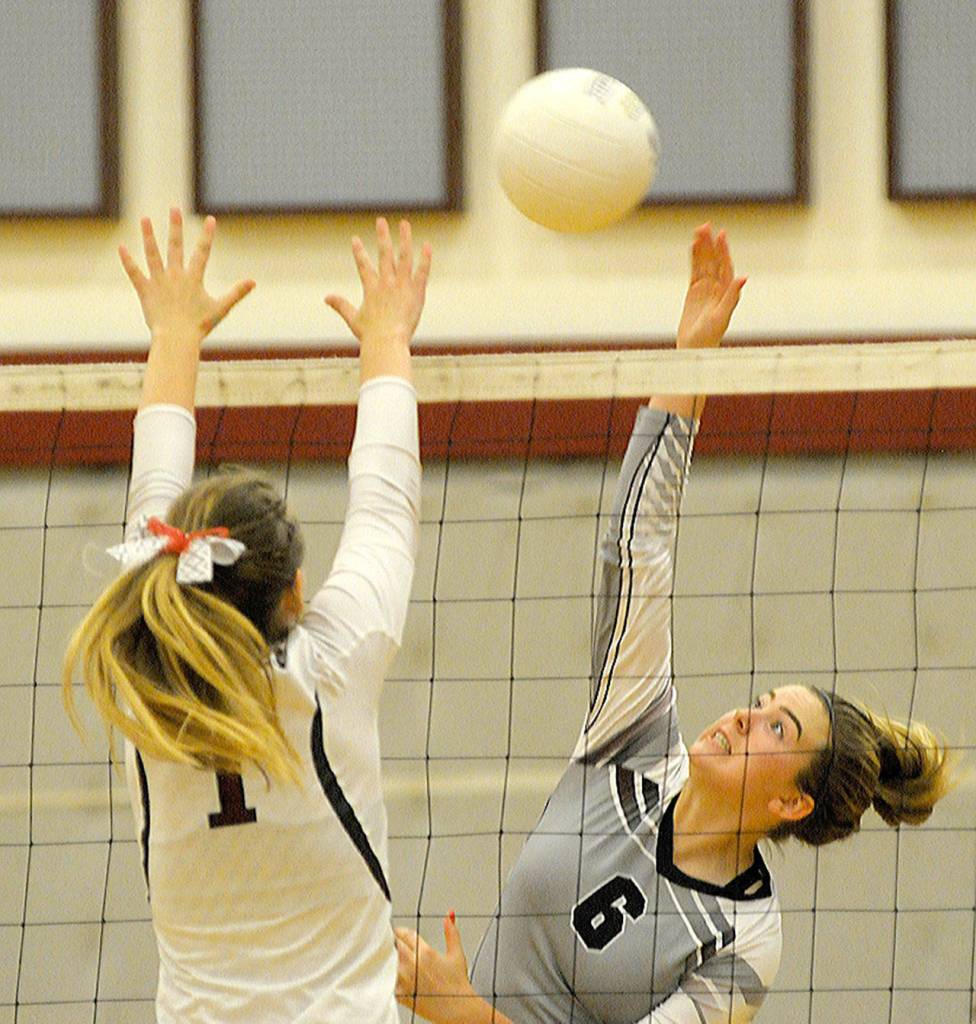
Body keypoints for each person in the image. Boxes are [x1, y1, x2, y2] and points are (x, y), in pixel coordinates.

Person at [394, 225, 954, 1024]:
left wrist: (460, 1012)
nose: (742, 716)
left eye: (776, 726)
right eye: (761, 701)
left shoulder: (743, 939)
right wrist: (690, 356)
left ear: (793, 804)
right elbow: (636, 551)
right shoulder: (635, 748)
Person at [63, 208, 431, 1023]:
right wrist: (388, 337)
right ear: (295, 593)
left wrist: (172, 333)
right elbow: (385, 500)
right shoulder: (333, 668)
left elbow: (156, 509)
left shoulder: (141, 689)